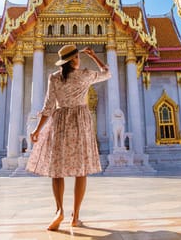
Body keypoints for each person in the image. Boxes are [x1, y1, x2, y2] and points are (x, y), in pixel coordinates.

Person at [26, 44, 111, 231]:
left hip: (60, 121)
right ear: (74, 60)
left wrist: (37, 130)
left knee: (57, 169)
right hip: (81, 122)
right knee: (81, 170)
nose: (79, 60)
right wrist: (94, 56)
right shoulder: (85, 75)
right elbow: (107, 73)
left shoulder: (54, 78)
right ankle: (76, 216)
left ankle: (59, 211)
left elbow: (48, 107)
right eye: (78, 58)